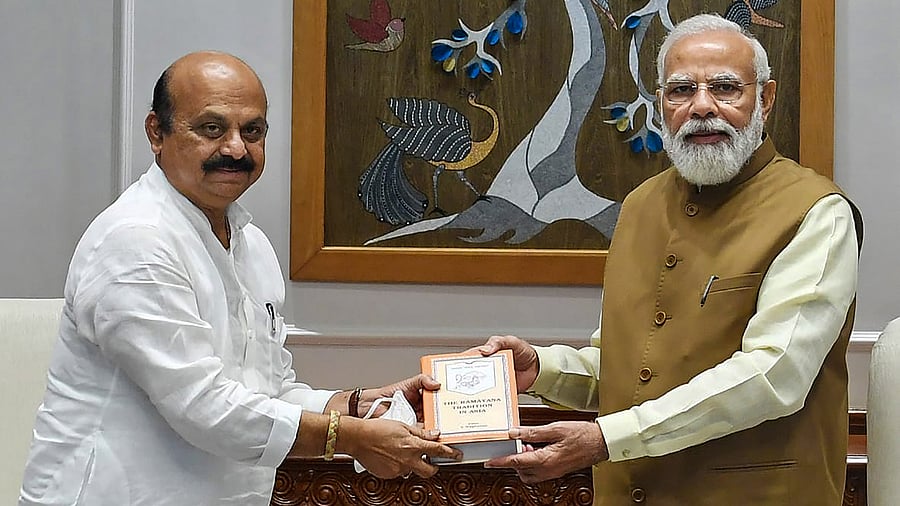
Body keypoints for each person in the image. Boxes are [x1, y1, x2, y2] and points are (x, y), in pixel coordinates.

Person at [18, 51, 460, 505]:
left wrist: (358, 406)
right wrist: (348, 437)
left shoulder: (252, 244)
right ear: (156, 132)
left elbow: (270, 389)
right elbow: (202, 407)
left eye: (252, 131)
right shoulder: (135, 240)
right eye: (212, 128)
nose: (235, 149)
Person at [476, 13, 863, 505]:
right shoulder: (640, 206)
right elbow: (629, 369)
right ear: (661, 104)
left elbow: (773, 376)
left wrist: (607, 438)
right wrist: (542, 370)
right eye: (681, 90)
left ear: (765, 99)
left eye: (725, 88)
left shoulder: (817, 212)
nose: (702, 106)